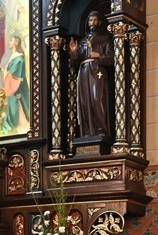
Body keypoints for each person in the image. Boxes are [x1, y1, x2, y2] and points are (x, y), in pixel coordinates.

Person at [68, 11, 113, 139]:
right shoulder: (83, 41)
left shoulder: (105, 39)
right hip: (84, 72)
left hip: (97, 71)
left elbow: (112, 58)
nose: (92, 23)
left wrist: (99, 55)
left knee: (97, 99)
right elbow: (74, 63)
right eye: (90, 20)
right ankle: (88, 132)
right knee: (85, 101)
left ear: (99, 22)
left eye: (95, 20)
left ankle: (101, 131)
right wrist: (74, 52)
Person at [0, 35, 30, 134]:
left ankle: (19, 124)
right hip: (13, 87)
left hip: (18, 87)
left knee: (18, 105)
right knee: (13, 105)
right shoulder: (13, 56)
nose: (9, 42)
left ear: (16, 43)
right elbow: (9, 70)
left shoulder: (19, 57)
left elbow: (15, 73)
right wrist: (2, 69)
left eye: (11, 40)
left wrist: (8, 73)